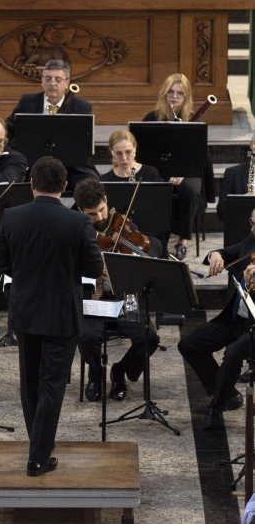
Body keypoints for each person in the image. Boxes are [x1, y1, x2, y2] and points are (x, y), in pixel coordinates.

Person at [0, 157, 103, 476]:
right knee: (52, 384)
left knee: (30, 384)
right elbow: (93, 270)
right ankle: (38, 456)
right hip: (61, 315)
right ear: (65, 186)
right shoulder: (78, 223)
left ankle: (38, 446)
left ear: (31, 184)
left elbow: (3, 267)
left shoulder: (11, 217)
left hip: (26, 312)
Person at [73, 178, 160, 402]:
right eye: (91, 214)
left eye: (101, 210)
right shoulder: (74, 230)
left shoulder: (123, 224)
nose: (99, 218)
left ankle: (120, 371)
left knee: (149, 337)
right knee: (86, 335)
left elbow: (155, 244)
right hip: (94, 297)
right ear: (81, 211)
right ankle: (96, 375)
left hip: (125, 297)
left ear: (106, 201)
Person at [177, 210, 255, 430]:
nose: (251, 229)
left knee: (232, 354)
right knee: (189, 345)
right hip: (235, 320)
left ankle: (216, 407)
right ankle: (228, 394)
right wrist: (216, 255)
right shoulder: (252, 241)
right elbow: (226, 252)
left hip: (254, 326)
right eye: (252, 223)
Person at [5, 59, 99, 190]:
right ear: (42, 81)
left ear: (67, 83)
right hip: (36, 163)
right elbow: (7, 129)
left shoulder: (82, 107)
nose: (52, 83)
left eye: (58, 79)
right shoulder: (27, 102)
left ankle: (75, 211)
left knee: (90, 187)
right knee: (24, 189)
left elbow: (84, 143)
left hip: (72, 165)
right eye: (48, 78)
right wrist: (13, 155)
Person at [142, 73, 205, 261]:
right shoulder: (152, 118)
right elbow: (145, 153)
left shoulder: (193, 119)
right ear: (164, 94)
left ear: (186, 97)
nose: (174, 97)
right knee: (157, 188)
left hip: (187, 170)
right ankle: (159, 236)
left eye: (179, 93)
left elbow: (198, 156)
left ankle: (182, 240)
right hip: (159, 170)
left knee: (191, 191)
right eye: (171, 92)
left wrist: (182, 173)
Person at [100, 128, 166, 257]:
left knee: (148, 260)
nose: (124, 158)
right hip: (118, 238)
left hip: (148, 235)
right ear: (112, 152)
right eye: (119, 153)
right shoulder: (105, 181)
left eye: (128, 152)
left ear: (135, 149)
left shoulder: (151, 174)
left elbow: (160, 212)